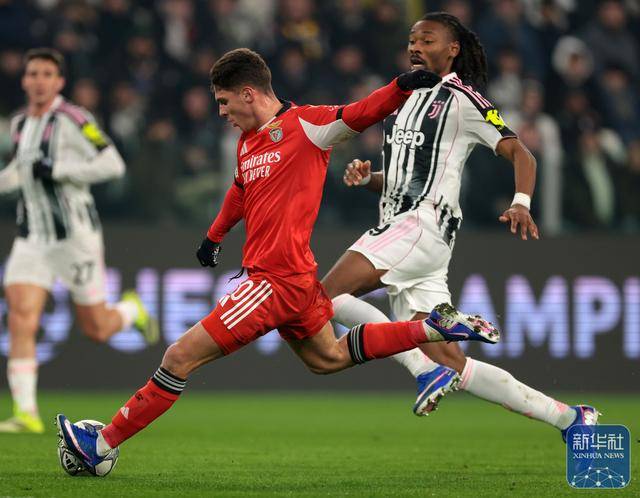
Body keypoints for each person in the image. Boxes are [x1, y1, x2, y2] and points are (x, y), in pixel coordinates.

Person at [56, 48, 500, 472]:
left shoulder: (307, 125)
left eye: (224, 101)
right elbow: (239, 191)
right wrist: (214, 237)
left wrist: (400, 86)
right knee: (328, 358)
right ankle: (432, 327)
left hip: (272, 282)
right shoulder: (247, 143)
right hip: (298, 282)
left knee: (178, 357)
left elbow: (359, 112)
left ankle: (101, 444)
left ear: (249, 93)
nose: (221, 112)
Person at [320, 12, 598, 440]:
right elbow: (407, 179)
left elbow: (521, 153)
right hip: (412, 234)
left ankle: (422, 369)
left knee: (323, 297)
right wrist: (370, 178)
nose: (416, 47)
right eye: (412, 41)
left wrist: (521, 202)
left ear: (453, 49)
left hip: (420, 224)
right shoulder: (401, 99)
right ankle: (570, 418)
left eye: (427, 40)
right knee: (453, 362)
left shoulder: (463, 99)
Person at [0, 48, 159, 434]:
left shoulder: (75, 119)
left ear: (59, 82)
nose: (39, 80)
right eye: (33, 73)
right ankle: (26, 412)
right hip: (32, 237)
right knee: (21, 317)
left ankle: (131, 310)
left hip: (75, 237)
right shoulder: (19, 123)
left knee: (97, 328)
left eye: (47, 74)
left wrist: (59, 169)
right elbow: (21, 172)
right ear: (24, 80)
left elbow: (112, 164)